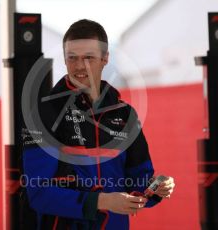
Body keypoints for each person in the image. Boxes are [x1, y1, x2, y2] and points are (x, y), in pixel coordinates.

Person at [22, 19, 175, 229]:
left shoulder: (125, 114)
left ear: (105, 58)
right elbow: (39, 193)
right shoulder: (44, 113)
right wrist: (103, 201)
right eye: (72, 58)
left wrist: (156, 188)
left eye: (89, 58)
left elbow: (138, 182)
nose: (79, 66)